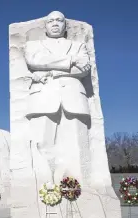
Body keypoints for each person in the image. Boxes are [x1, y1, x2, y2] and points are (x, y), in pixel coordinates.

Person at [24, 11, 92, 184]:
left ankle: (77, 186)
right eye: (51, 21)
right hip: (43, 98)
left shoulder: (78, 46)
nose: (55, 23)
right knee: (42, 144)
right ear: (45, 25)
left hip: (74, 98)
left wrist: (51, 70)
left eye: (59, 21)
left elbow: (84, 69)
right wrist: (70, 61)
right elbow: (34, 61)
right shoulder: (34, 44)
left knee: (77, 146)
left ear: (65, 25)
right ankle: (46, 184)